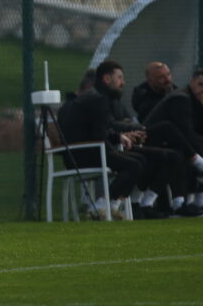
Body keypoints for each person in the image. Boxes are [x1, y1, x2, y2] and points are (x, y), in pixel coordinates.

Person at [62, 61, 187, 219]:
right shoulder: (97, 99)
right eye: (120, 78)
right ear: (107, 79)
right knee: (135, 163)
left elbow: (105, 128)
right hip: (84, 154)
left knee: (141, 160)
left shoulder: (101, 99)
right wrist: (120, 138)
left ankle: (110, 207)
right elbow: (98, 134)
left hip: (89, 150)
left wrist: (121, 135)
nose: (123, 82)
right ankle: (103, 206)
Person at [143, 69, 203, 213]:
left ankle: (200, 202)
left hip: (175, 141)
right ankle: (181, 202)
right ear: (192, 82)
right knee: (191, 149)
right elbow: (187, 132)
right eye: (200, 85)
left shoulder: (197, 100)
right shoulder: (181, 98)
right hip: (155, 141)